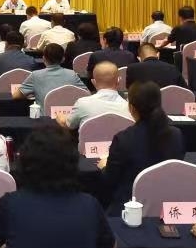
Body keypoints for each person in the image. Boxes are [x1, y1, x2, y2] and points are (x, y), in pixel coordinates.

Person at [0, 125, 114, 248]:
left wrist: (6, 245)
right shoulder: (90, 205)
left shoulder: (10, 204)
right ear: (72, 164)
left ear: (25, 163)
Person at [100, 81, 185, 214]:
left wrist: (104, 166)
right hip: (168, 205)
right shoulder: (176, 134)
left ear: (131, 108)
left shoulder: (123, 139)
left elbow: (110, 181)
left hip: (130, 207)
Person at [61, 62, 130, 130]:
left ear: (93, 82)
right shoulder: (130, 108)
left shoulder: (82, 103)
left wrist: (59, 116)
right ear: (118, 81)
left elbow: (69, 125)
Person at [21, 44, 88, 110]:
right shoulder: (72, 74)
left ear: (44, 58)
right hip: (68, 116)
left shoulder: (35, 75)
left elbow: (17, 95)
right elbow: (87, 94)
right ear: (63, 59)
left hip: (44, 117)